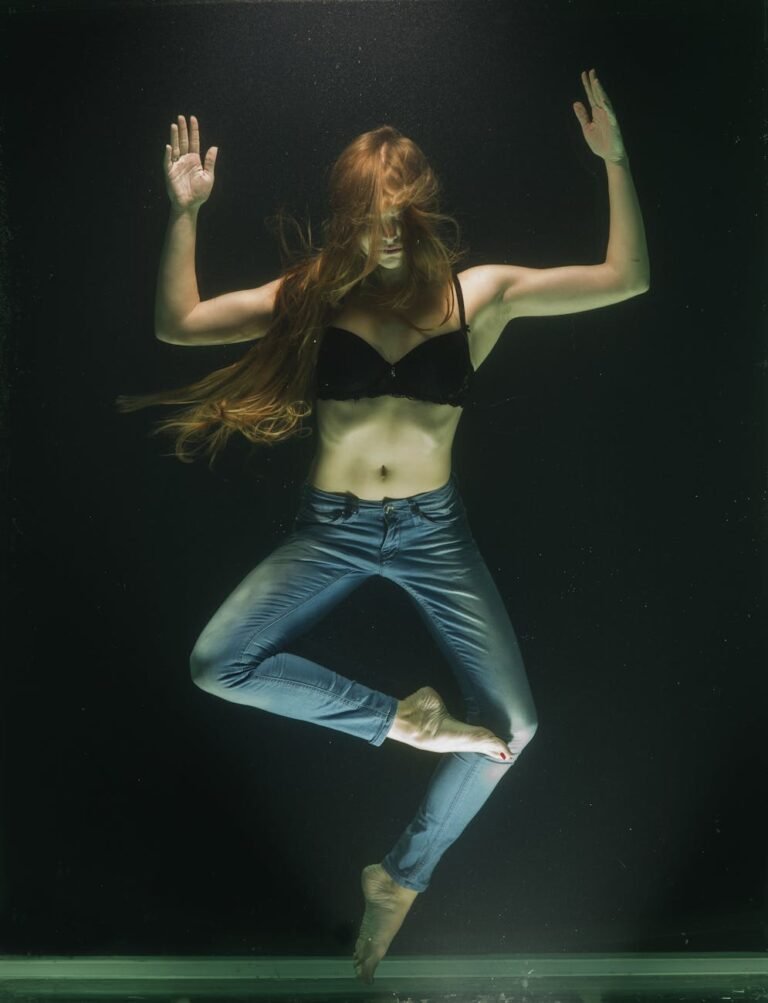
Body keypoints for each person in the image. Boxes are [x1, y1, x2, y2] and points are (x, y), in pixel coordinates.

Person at [116, 68, 649, 984]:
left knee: (514, 728)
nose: (386, 231)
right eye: (370, 214)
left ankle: (399, 877)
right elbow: (179, 322)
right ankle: (400, 724)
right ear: (348, 215)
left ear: (423, 211)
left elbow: (624, 277)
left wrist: (616, 160)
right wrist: (185, 212)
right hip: (333, 531)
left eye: (400, 213)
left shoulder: (479, 296)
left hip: (436, 535)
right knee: (218, 663)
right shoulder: (313, 296)